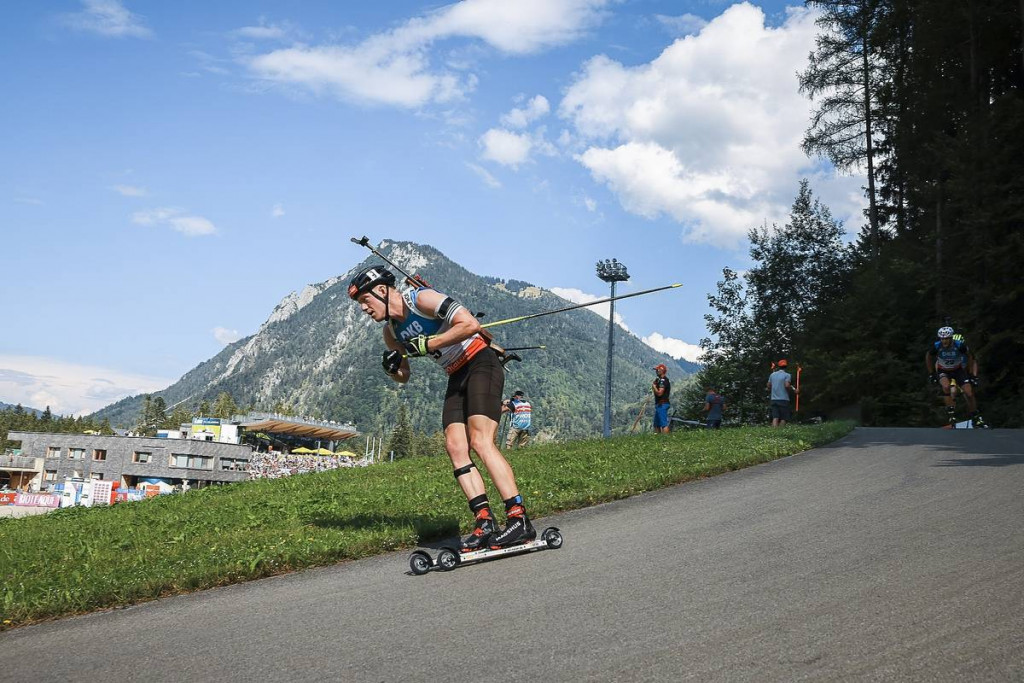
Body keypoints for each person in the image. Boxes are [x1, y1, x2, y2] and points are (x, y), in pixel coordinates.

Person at [348, 265, 535, 551]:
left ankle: (518, 519)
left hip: (481, 361)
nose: (364, 308)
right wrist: (392, 369)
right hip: (456, 373)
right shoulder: (391, 333)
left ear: (382, 290)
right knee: (455, 446)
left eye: (365, 300)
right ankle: (484, 522)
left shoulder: (421, 299)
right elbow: (404, 376)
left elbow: (470, 325)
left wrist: (429, 342)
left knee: (480, 441)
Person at [925, 326, 986, 427]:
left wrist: (971, 374)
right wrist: (931, 374)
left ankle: (975, 416)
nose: (944, 341)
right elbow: (928, 357)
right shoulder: (937, 346)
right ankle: (951, 413)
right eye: (942, 339)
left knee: (969, 393)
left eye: (947, 338)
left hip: (958, 370)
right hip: (943, 370)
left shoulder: (959, 345)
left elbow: (970, 356)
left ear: (951, 338)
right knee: (946, 387)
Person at [767, 359, 797, 427]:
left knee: (775, 417)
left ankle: (774, 433)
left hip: (774, 399)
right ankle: (780, 433)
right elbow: (787, 385)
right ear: (786, 366)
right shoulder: (787, 375)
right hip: (783, 399)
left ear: (779, 366)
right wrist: (794, 390)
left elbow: (768, 385)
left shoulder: (772, 375)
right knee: (784, 418)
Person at [652, 364, 671, 434]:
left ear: (661, 371)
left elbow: (660, 393)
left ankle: (666, 440)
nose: (656, 371)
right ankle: (658, 441)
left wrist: (654, 387)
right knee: (656, 425)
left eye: (657, 370)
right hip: (659, 405)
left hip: (662, 405)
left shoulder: (663, 381)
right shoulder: (659, 380)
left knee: (663, 424)